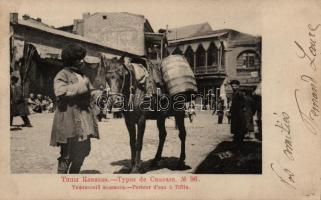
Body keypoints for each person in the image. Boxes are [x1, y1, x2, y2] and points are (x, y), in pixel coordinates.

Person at [50, 43, 100, 174]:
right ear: (71, 60)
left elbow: (90, 90)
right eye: (78, 59)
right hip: (68, 118)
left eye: (81, 58)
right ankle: (62, 182)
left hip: (84, 118)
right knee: (66, 154)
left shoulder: (82, 74)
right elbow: (59, 91)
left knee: (84, 150)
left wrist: (97, 94)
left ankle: (74, 174)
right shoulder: (62, 74)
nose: (81, 61)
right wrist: (81, 86)